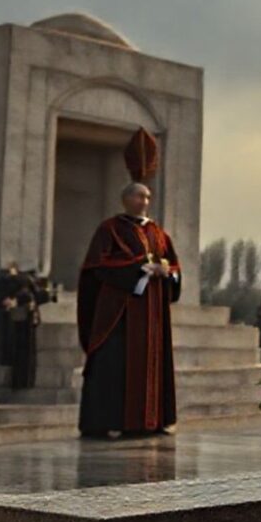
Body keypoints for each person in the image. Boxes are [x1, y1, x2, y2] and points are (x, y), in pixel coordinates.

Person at [77, 181, 181, 438]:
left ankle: (153, 420)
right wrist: (139, 270)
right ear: (125, 199)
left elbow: (173, 265)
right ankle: (107, 422)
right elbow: (97, 265)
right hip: (120, 313)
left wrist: (166, 273)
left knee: (153, 363)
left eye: (147, 197)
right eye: (138, 196)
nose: (144, 201)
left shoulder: (158, 233)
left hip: (153, 314)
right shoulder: (110, 229)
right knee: (113, 364)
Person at [0, 264, 50, 389]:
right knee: (22, 351)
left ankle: (21, 380)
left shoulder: (11, 283)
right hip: (21, 319)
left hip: (19, 318)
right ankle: (23, 380)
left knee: (20, 350)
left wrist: (14, 302)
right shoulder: (18, 283)